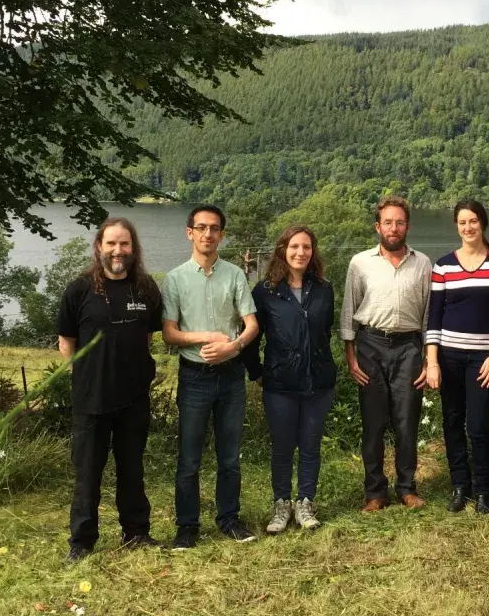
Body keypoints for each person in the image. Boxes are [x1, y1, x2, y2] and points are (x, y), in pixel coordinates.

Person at [56, 217, 162, 562]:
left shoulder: (145, 289)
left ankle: (136, 532)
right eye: (112, 243)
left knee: (132, 469)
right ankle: (82, 542)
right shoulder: (79, 290)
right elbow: (66, 341)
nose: (119, 251)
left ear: (134, 249)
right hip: (92, 399)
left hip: (134, 398)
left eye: (125, 244)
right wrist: (83, 376)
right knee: (88, 472)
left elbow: (146, 337)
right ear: (99, 247)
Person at [162, 204, 259, 548]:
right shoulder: (175, 278)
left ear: (221, 234)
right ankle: (187, 527)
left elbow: (252, 324)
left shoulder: (234, 274)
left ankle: (229, 519)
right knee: (189, 458)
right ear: (190, 232)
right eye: (201, 227)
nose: (208, 234)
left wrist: (234, 347)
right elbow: (170, 334)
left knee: (230, 456)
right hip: (195, 378)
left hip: (231, 376)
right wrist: (208, 338)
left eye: (214, 228)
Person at [341, 195, 432, 512]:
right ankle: (375, 492)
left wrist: (426, 357)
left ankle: (407, 488)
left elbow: (427, 315)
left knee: (407, 421)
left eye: (400, 222)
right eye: (388, 222)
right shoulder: (360, 262)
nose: (394, 228)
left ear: (407, 226)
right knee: (374, 423)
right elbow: (349, 311)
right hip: (370, 346)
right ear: (378, 226)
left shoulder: (422, 263)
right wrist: (350, 355)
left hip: (409, 347)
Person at [244, 225, 336, 533]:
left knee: (310, 445)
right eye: (294, 246)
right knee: (282, 447)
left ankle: (306, 502)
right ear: (283, 250)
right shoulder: (265, 291)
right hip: (280, 384)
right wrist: (257, 372)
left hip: (318, 383)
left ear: (313, 252)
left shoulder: (324, 288)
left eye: (307, 247)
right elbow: (251, 336)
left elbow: (326, 332)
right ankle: (282, 503)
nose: (300, 252)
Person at [426, 200, 489, 514]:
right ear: (456, 226)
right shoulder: (443, 266)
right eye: (462, 222)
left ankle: (483, 490)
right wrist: (432, 361)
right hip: (448, 356)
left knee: (478, 426)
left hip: (483, 359)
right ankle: (459, 487)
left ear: (483, 223)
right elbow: (433, 317)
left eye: (473, 221)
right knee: (452, 421)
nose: (468, 227)